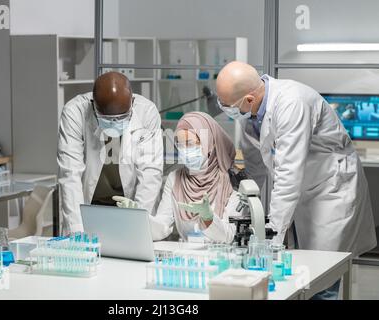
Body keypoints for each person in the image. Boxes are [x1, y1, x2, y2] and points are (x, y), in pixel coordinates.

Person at [216, 61, 377, 299]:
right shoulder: (252, 113)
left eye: (228, 105)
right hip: (305, 189)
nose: (226, 109)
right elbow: (254, 166)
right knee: (301, 271)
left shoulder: (292, 102)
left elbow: (288, 174)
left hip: (329, 190)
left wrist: (271, 235)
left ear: (249, 99)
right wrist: (243, 204)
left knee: (322, 273)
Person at [58, 72, 163, 234]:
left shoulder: (146, 112)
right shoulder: (75, 112)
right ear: (93, 106)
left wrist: (139, 220)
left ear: (132, 103)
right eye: (106, 119)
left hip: (129, 205)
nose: (114, 123)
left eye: (121, 118)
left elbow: (151, 173)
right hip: (88, 208)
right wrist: (77, 232)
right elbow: (70, 174)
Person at [149, 112, 243, 243]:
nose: (184, 151)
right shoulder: (174, 178)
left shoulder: (230, 181)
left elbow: (229, 236)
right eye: (180, 145)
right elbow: (162, 225)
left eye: (190, 143)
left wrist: (208, 217)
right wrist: (141, 218)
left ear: (209, 142)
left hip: (218, 257)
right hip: (186, 257)